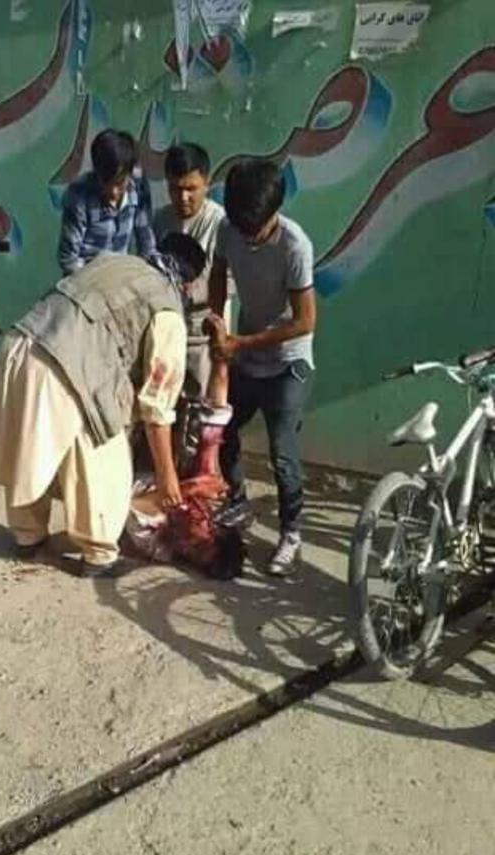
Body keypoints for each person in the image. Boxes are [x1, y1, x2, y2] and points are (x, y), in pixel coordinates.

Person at [0, 234, 207, 577]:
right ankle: (99, 556)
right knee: (104, 461)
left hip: (18, 345)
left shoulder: (116, 262)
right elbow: (157, 408)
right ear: (189, 283)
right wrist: (167, 478)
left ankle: (28, 538)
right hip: (65, 369)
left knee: (28, 447)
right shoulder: (167, 309)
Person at [205, 158, 317, 577]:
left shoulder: (295, 246)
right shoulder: (228, 229)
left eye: (257, 230)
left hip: (288, 362)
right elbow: (218, 272)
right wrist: (216, 319)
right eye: (242, 229)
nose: (248, 238)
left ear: (274, 211)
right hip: (248, 354)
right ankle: (238, 502)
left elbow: (305, 321)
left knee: (281, 454)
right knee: (223, 430)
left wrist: (242, 343)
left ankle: (292, 533)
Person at [153, 142, 228, 397]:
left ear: (207, 183)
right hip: (165, 333)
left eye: (191, 189)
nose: (183, 197)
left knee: (203, 408)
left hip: (203, 338)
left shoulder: (220, 224)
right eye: (175, 189)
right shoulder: (159, 220)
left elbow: (227, 283)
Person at [57, 129, 157, 276]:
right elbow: (68, 260)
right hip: (85, 278)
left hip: (121, 276)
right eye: (106, 182)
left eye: (120, 183)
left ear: (129, 174)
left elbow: (146, 244)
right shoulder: (79, 195)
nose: (114, 192)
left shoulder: (139, 185)